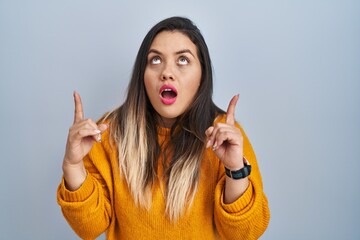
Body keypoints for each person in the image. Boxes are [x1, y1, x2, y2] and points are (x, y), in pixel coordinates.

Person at [57, 16, 270, 239]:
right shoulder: (108, 134)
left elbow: (246, 233)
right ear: (143, 75)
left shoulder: (225, 139)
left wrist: (236, 169)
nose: (167, 72)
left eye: (183, 60)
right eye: (155, 60)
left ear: (202, 75)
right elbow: (89, 227)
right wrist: (72, 165)